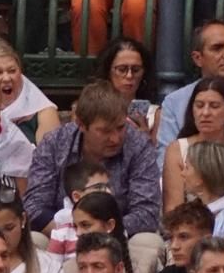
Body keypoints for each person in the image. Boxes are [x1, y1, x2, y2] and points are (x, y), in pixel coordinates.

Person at [25, 82, 161, 234]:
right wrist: (72, 232)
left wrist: (99, 230)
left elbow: (147, 213)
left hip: (121, 235)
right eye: (105, 131)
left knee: (148, 243)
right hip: (62, 233)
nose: (115, 139)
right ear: (81, 125)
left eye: (120, 127)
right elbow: (33, 206)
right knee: (36, 239)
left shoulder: (139, 145)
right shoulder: (54, 143)